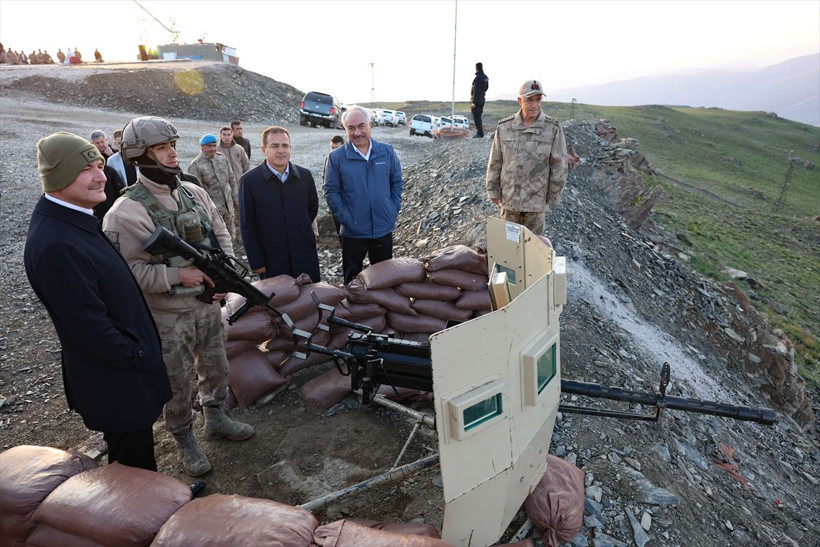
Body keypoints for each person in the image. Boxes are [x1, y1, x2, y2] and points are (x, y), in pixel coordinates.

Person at [102, 116, 253, 477]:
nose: (172, 154)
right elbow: (128, 274)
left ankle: (216, 417)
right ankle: (183, 436)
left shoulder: (193, 191)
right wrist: (176, 275)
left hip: (207, 305)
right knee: (177, 380)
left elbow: (221, 232)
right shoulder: (124, 213)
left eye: (172, 145)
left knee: (217, 364)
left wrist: (223, 278)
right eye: (161, 148)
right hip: (168, 315)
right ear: (140, 155)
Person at [24, 132, 172, 471]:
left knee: (140, 448)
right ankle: (140, 517)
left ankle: (152, 502)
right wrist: (138, 354)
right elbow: (88, 327)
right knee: (131, 460)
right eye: (85, 169)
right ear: (58, 176)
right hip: (114, 377)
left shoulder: (73, 219)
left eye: (99, 165)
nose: (100, 176)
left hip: (124, 369)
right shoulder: (56, 243)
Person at [324, 106, 403, 284]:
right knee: (352, 280)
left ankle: (382, 310)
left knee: (384, 279)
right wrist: (347, 219)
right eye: (351, 128)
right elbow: (331, 191)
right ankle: (353, 311)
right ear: (345, 130)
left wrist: (391, 211)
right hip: (353, 232)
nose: (357, 132)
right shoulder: (336, 158)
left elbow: (396, 183)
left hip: (383, 228)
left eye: (361, 126)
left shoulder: (387, 152)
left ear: (370, 125)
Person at [486, 79, 568, 235]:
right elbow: (495, 161)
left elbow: (559, 165)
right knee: (509, 249)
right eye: (529, 100)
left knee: (533, 250)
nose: (535, 105)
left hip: (536, 204)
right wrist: (493, 190)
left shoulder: (552, 128)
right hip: (510, 202)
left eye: (538, 100)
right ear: (520, 101)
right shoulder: (505, 127)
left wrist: (553, 196)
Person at [239, 126, 320, 282]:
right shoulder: (249, 181)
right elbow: (247, 224)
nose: (281, 150)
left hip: (303, 252)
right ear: (264, 149)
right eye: (274, 146)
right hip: (272, 258)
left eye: (285, 145)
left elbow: (312, 210)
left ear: (290, 148)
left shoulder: (305, 176)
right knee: (279, 303)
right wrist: (256, 260)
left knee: (310, 298)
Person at [188, 134, 237, 237]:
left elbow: (231, 180)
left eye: (214, 145)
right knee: (217, 236)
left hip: (228, 205)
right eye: (209, 146)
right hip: (212, 209)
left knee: (230, 234)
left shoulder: (222, 158)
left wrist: (235, 197)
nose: (213, 148)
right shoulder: (195, 165)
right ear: (202, 147)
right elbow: (196, 191)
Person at [89, 130, 125, 220]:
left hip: (113, 193)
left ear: (107, 141)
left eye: (102, 142)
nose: (101, 145)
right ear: (92, 144)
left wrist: (111, 155)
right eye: (97, 143)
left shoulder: (117, 154)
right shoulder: (91, 159)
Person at [324, 135, 345, 246]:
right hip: (336, 203)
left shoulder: (350, 159)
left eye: (337, 148)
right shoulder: (329, 160)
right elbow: (325, 181)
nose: (334, 151)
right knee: (339, 231)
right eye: (332, 148)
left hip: (350, 202)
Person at [471, 62, 489, 138]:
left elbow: (476, 90)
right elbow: (486, 88)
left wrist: (474, 102)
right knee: (479, 116)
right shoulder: (485, 77)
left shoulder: (478, 78)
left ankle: (480, 133)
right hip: (482, 100)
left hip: (477, 101)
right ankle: (480, 132)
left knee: (476, 117)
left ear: (476, 68)